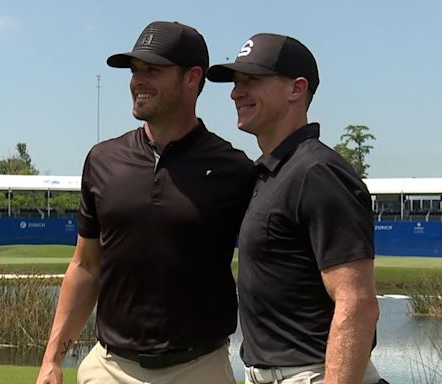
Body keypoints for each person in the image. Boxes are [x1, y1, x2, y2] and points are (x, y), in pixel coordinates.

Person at [35, 21, 256, 384]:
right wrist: (51, 360)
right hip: (110, 368)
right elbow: (86, 265)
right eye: (135, 70)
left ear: (191, 78)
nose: (138, 80)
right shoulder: (102, 160)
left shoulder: (235, 169)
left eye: (153, 70)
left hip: (199, 369)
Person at [207, 33, 385, 384]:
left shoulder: (318, 172)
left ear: (296, 89)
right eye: (236, 82)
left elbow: (358, 303)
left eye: (252, 80)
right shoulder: (274, 170)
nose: (235, 92)